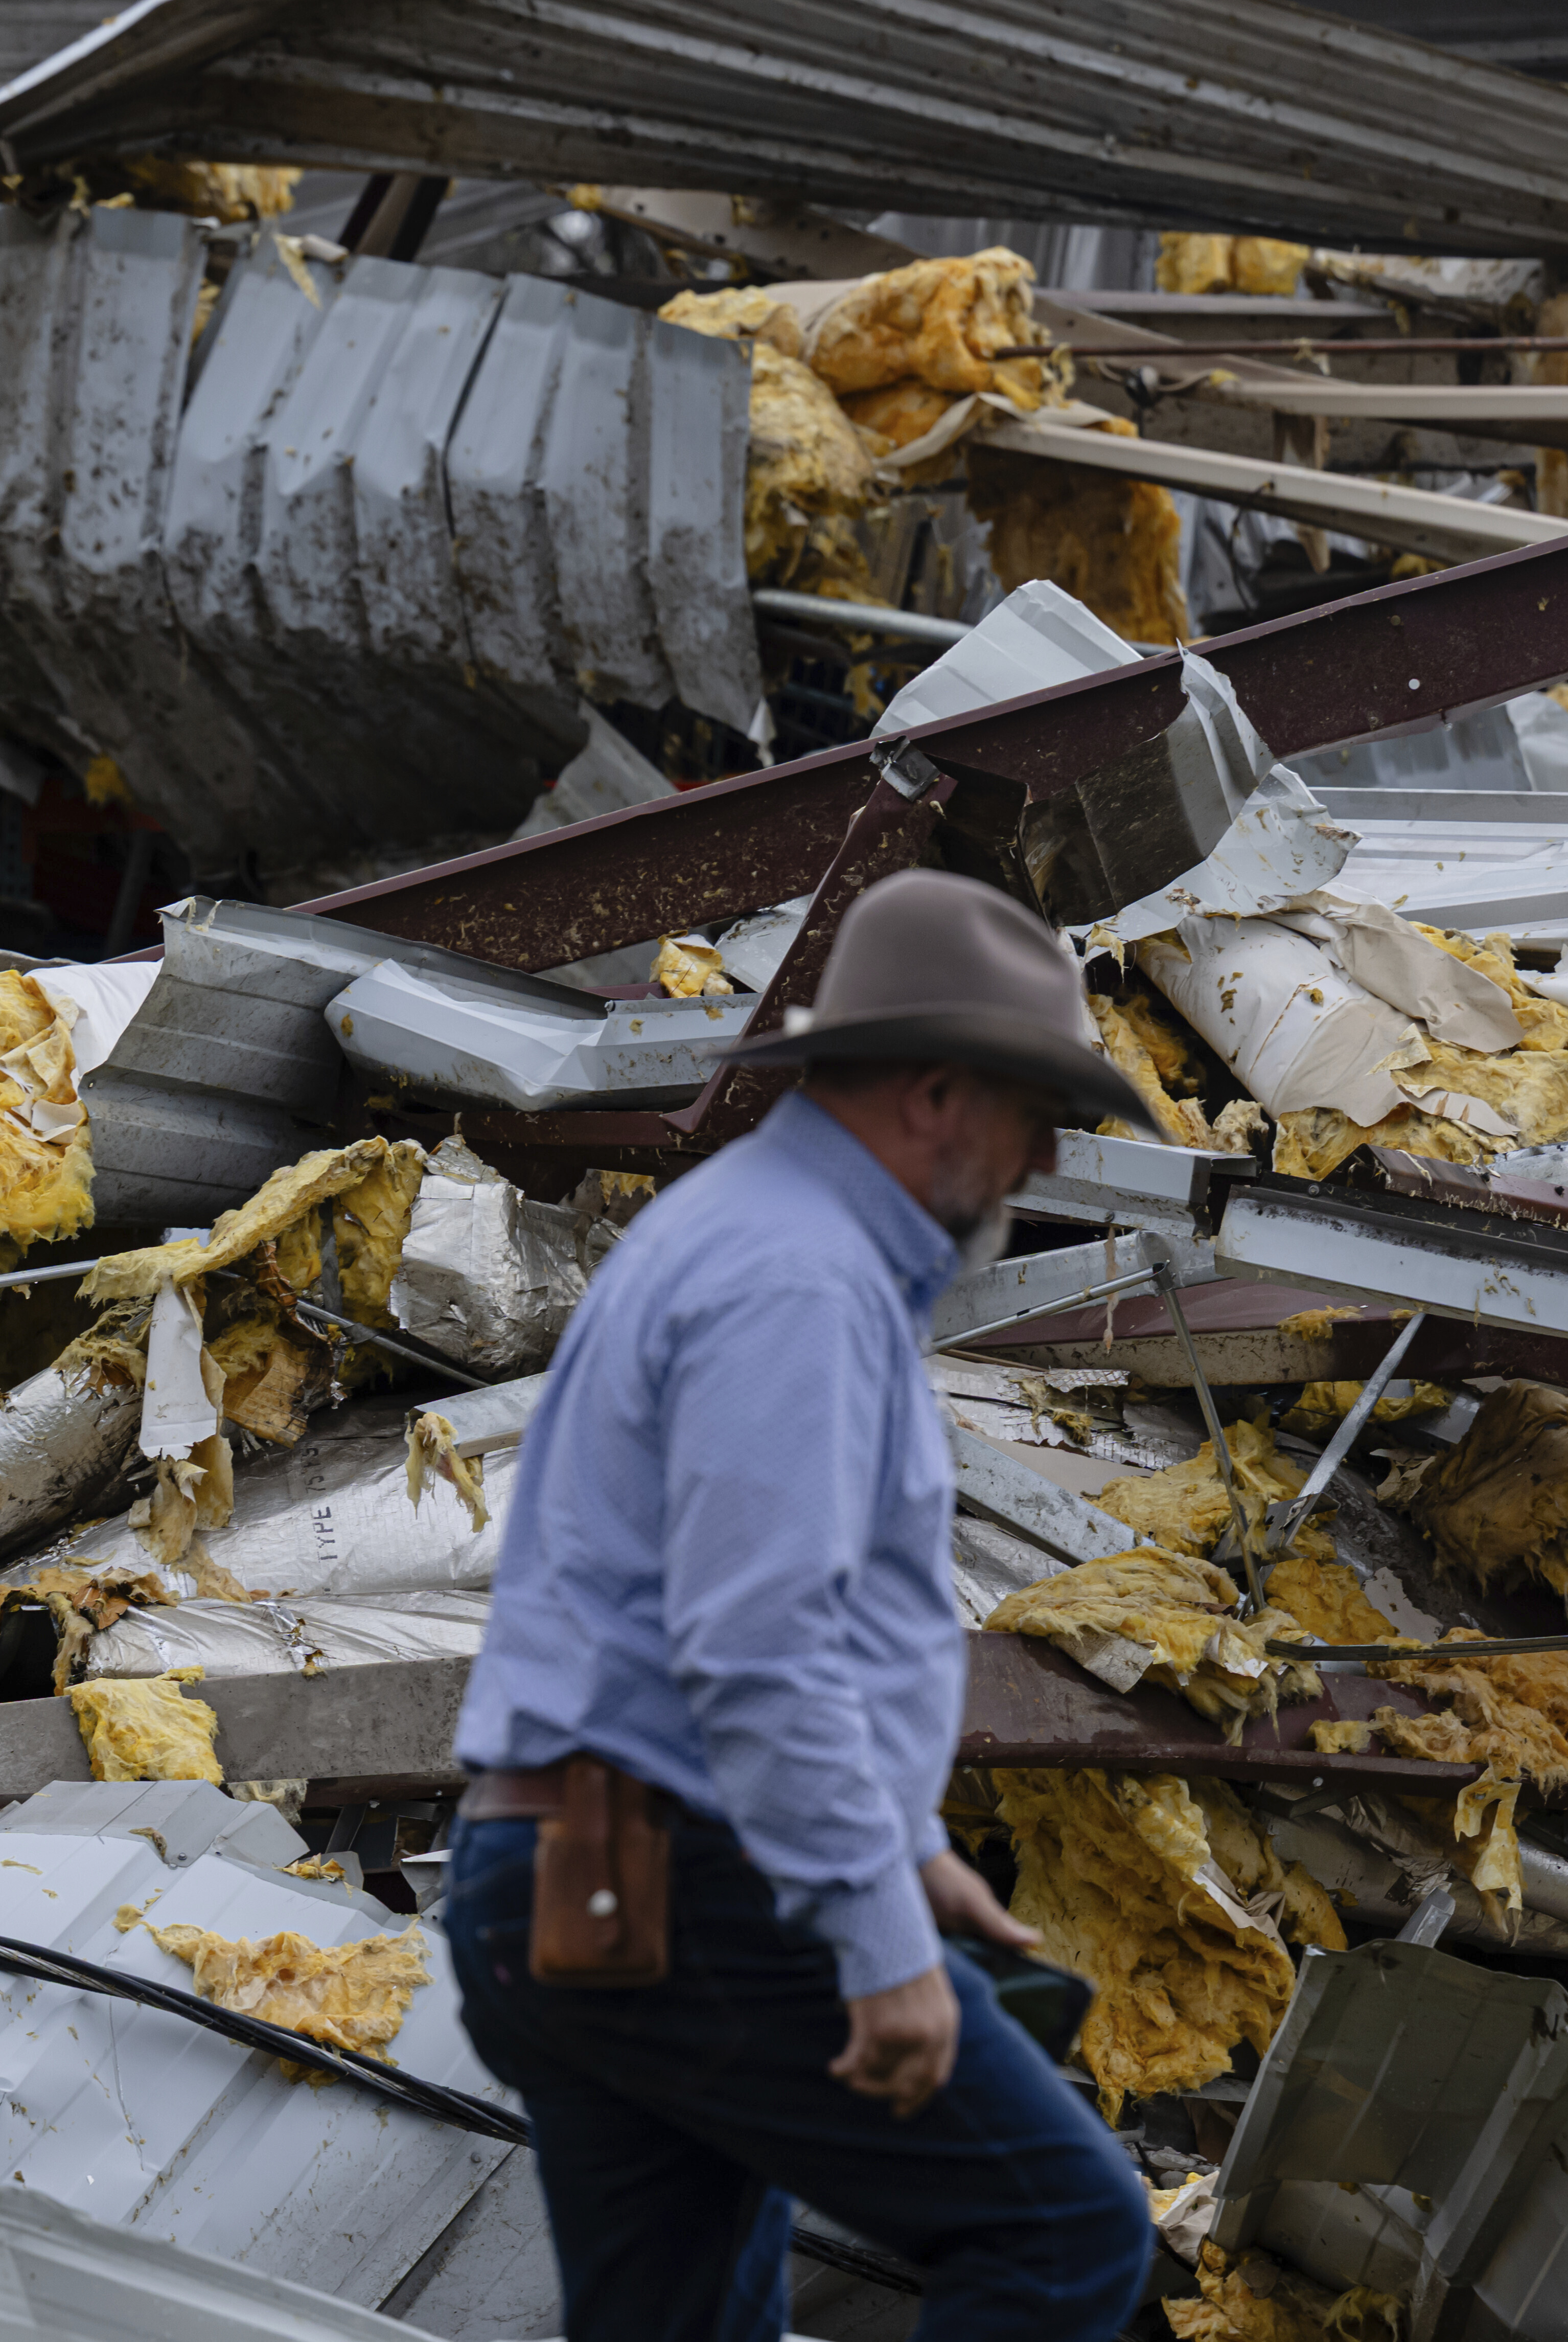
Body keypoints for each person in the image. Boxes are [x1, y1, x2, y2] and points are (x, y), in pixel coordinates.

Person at [445, 867, 1162, 2341]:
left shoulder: (749, 1234)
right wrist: (879, 1939)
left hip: (573, 1878)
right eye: (1032, 1116)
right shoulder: (803, 1282)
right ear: (939, 1093)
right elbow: (760, 1647)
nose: (1036, 1164)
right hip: (684, 1882)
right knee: (1065, 2230)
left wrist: (899, 1854)